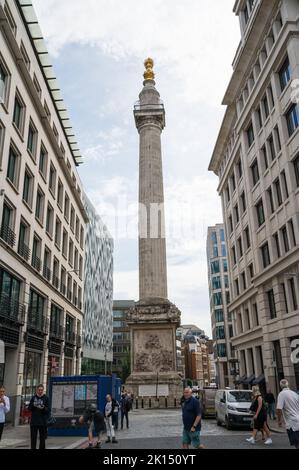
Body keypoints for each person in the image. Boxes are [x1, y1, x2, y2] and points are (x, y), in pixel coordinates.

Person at [276, 379, 299, 449]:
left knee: (296, 443)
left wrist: (279, 420)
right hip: (298, 420)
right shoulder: (295, 394)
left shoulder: (281, 394)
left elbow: (279, 408)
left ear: (280, 386)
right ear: (287, 385)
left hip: (291, 423)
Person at [28, 384, 50, 450]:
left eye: (41, 390)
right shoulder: (33, 397)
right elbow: (29, 408)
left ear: (43, 390)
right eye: (39, 390)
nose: (40, 391)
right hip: (34, 422)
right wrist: (33, 405)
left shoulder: (46, 398)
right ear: (37, 390)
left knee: (42, 438)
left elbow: (48, 410)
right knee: (33, 438)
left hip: (42, 422)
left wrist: (43, 408)